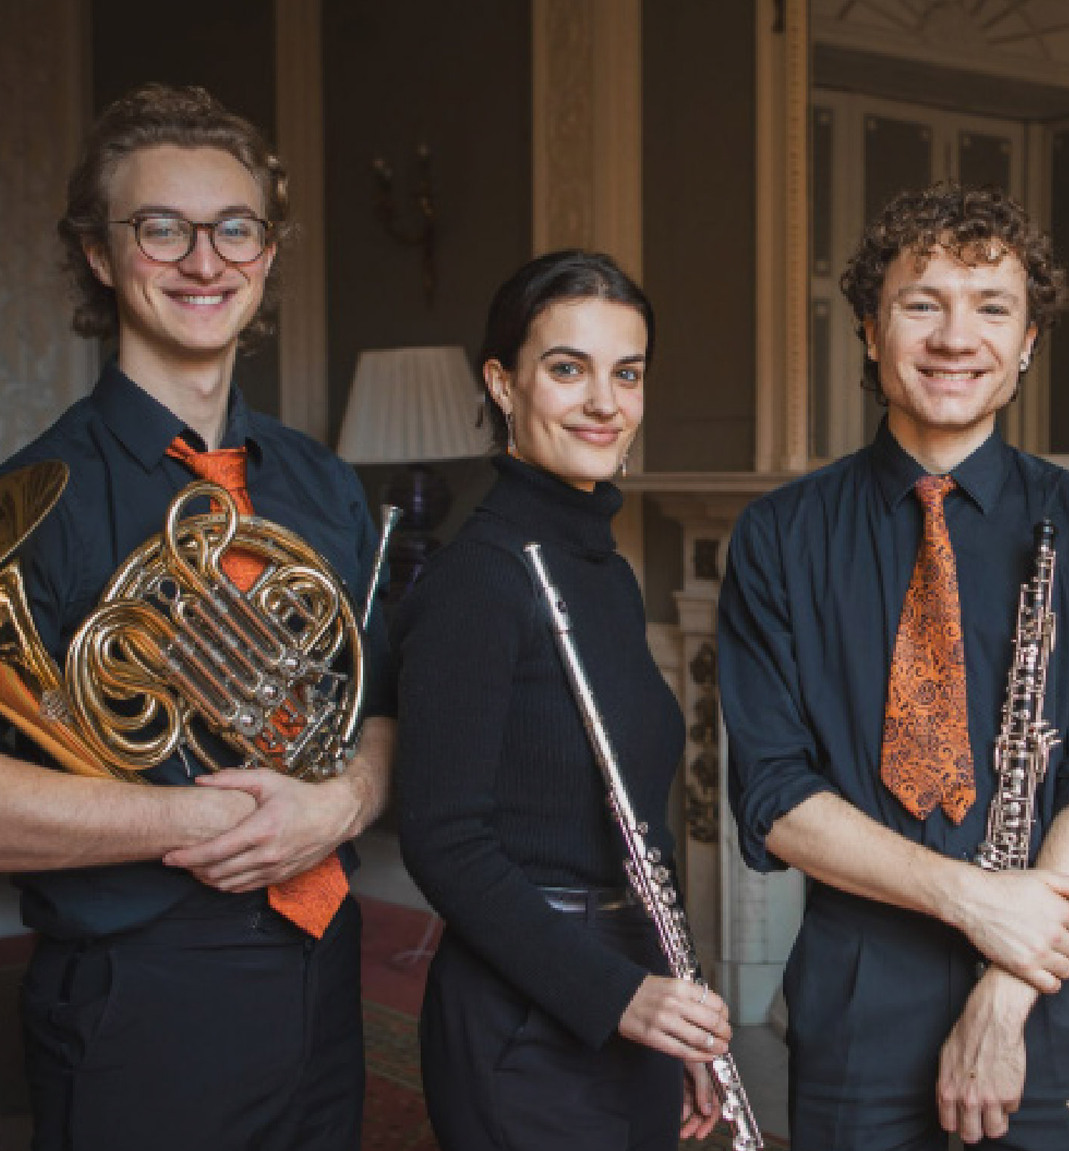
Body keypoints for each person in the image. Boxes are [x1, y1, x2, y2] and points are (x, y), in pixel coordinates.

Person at [0, 83, 396, 1150]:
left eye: (235, 228)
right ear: (100, 254)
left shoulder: (322, 484)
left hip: (322, 962)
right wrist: (205, 822)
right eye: (162, 228)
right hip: (141, 993)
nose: (205, 260)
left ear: (268, 253)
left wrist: (342, 801)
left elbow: (380, 706)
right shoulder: (28, 506)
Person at [718, 183, 1069, 1149]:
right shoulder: (777, 537)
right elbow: (774, 794)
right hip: (858, 1003)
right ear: (870, 330)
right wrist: (972, 900)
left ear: (1029, 340)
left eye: (992, 308)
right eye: (922, 303)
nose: (956, 337)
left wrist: (1006, 988)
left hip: (1050, 997)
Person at [394, 250, 730, 1150]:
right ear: (503, 383)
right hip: (524, 1018)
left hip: (629, 984)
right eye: (568, 368)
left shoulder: (604, 573)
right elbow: (443, 841)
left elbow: (640, 832)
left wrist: (678, 1001)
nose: (604, 402)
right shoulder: (479, 578)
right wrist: (620, 995)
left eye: (628, 372)